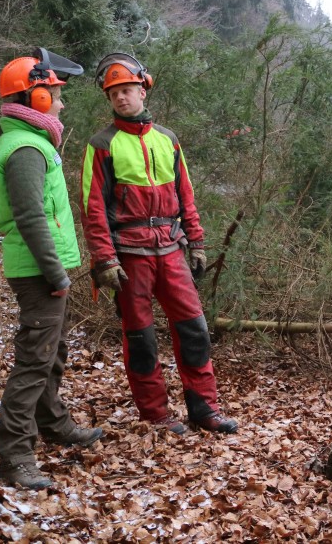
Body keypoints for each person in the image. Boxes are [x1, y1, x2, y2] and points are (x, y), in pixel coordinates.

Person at [80, 53, 237, 436]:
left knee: (194, 329)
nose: (121, 97)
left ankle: (204, 409)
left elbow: (186, 193)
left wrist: (196, 242)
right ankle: (156, 415)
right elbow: (93, 207)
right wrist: (104, 260)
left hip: (170, 248)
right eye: (114, 92)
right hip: (130, 254)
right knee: (141, 338)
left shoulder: (167, 139)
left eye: (127, 90)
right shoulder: (102, 144)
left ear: (143, 91)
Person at [0, 48, 104, 490]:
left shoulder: (33, 142)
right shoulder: (24, 149)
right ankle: (15, 455)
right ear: (33, 97)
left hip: (46, 267)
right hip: (38, 271)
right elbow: (31, 217)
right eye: (54, 93)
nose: (61, 102)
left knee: (52, 352)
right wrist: (55, 274)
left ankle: (52, 420)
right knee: (34, 361)